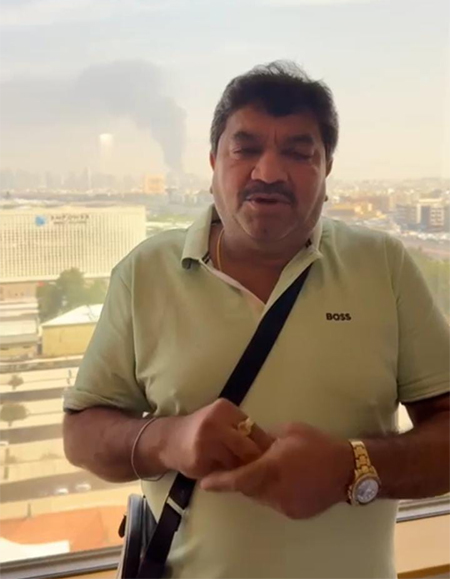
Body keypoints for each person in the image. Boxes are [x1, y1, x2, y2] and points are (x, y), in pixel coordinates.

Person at [63, 61, 450, 578]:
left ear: (327, 169)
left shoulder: (384, 265)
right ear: (213, 163)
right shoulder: (145, 273)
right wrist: (168, 439)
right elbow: (81, 433)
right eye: (245, 149)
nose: (268, 172)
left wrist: (349, 468)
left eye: (298, 152)